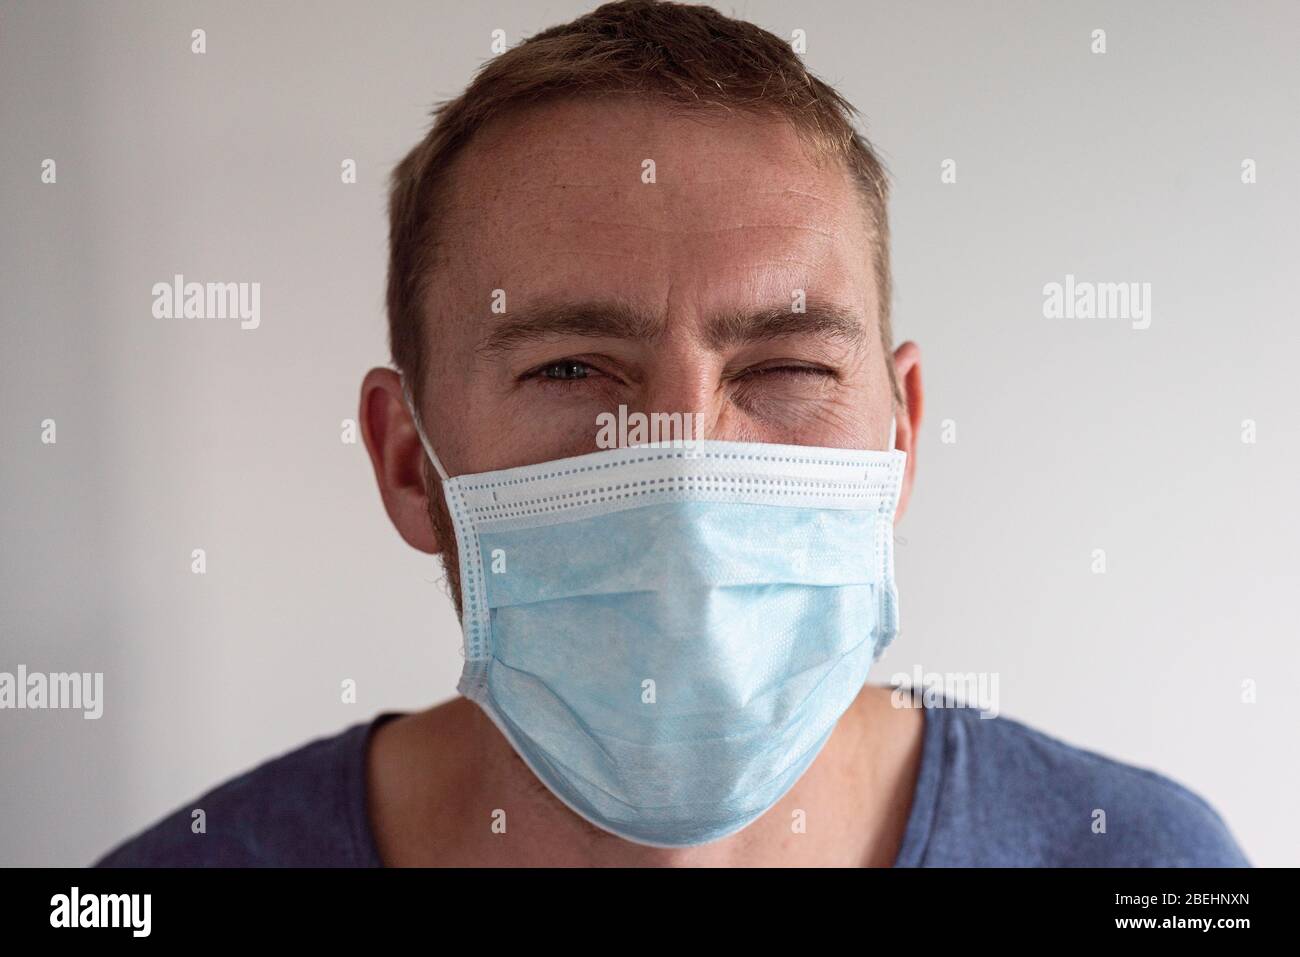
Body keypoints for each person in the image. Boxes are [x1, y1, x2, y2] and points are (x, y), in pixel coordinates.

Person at [94, 0, 1249, 868]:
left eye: (787, 367)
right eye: (568, 366)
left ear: (900, 440)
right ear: (407, 461)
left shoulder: (1146, 866)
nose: (683, 465)